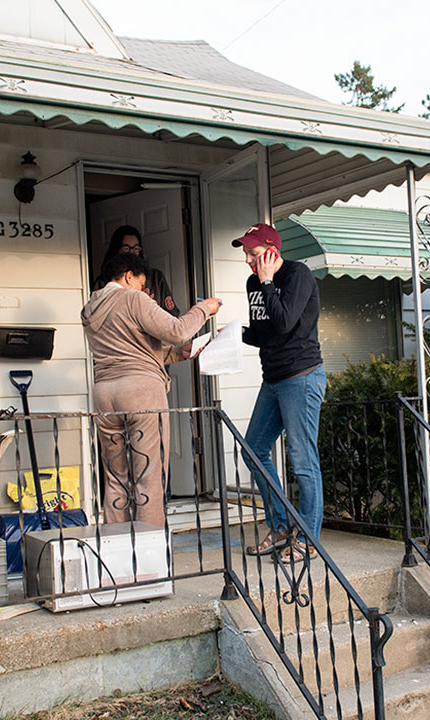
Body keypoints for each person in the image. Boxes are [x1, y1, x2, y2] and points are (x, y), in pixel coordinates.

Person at [81, 253, 220, 527]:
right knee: (149, 476)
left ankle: (117, 549)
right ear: (128, 276)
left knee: (115, 477)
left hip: (105, 395)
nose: (145, 291)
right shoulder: (132, 299)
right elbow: (178, 329)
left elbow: (136, 349)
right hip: (141, 393)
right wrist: (204, 309)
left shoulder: (90, 308)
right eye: (142, 284)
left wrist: (181, 353)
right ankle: (149, 553)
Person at [234, 223, 325, 563]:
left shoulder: (297, 275)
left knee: (303, 461)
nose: (248, 261)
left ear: (272, 251)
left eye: (254, 254)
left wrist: (268, 280)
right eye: (246, 254)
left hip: (301, 377)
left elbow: (285, 322)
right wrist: (233, 333)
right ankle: (282, 527)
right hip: (272, 378)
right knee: (254, 449)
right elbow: (264, 332)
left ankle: (309, 539)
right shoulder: (252, 283)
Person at [92, 225, 179, 315]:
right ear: (117, 250)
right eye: (126, 248)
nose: (132, 252)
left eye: (136, 248)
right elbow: (96, 316)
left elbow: (171, 314)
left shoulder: (155, 277)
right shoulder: (104, 281)